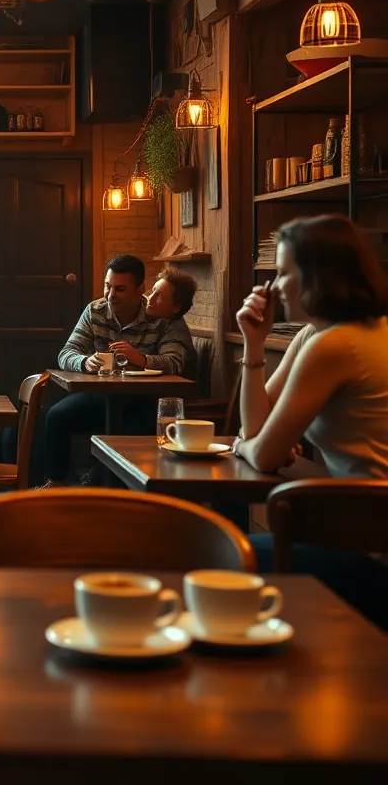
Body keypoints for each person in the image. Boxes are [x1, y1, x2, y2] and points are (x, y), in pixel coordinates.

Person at [234, 214, 388, 629]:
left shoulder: (336, 345)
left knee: (221, 554)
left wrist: (247, 447)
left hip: (372, 548)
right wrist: (254, 343)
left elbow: (261, 453)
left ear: (317, 275)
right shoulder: (317, 336)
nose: (275, 285)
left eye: (284, 272)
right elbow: (257, 428)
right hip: (352, 526)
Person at [41, 255, 197, 486]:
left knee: (131, 435)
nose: (111, 295)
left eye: (120, 289)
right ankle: (56, 485)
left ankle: (102, 488)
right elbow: (67, 352)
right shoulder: (95, 311)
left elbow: (173, 362)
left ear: (139, 289)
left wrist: (140, 358)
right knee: (56, 415)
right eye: (108, 286)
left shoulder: (161, 317)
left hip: (141, 401)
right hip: (100, 396)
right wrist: (84, 362)